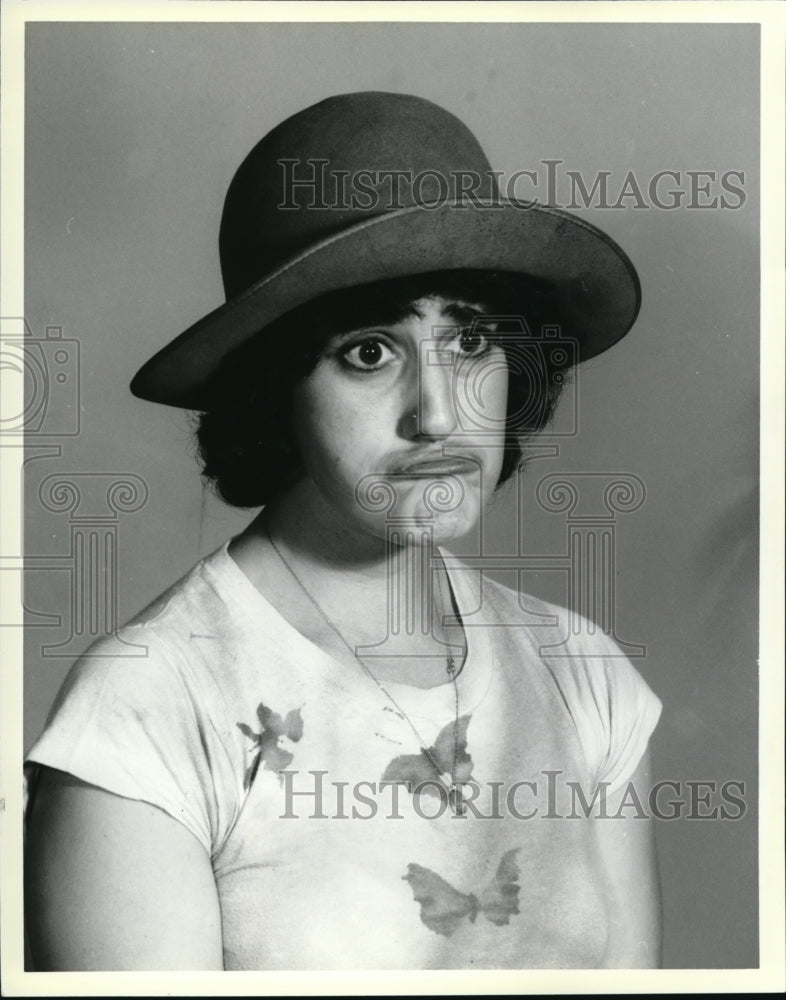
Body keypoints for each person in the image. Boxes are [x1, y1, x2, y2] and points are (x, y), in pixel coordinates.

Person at [24, 92, 662, 970]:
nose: (440, 415)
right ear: (271, 387)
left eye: (472, 340)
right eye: (369, 351)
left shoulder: (585, 674)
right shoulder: (146, 711)